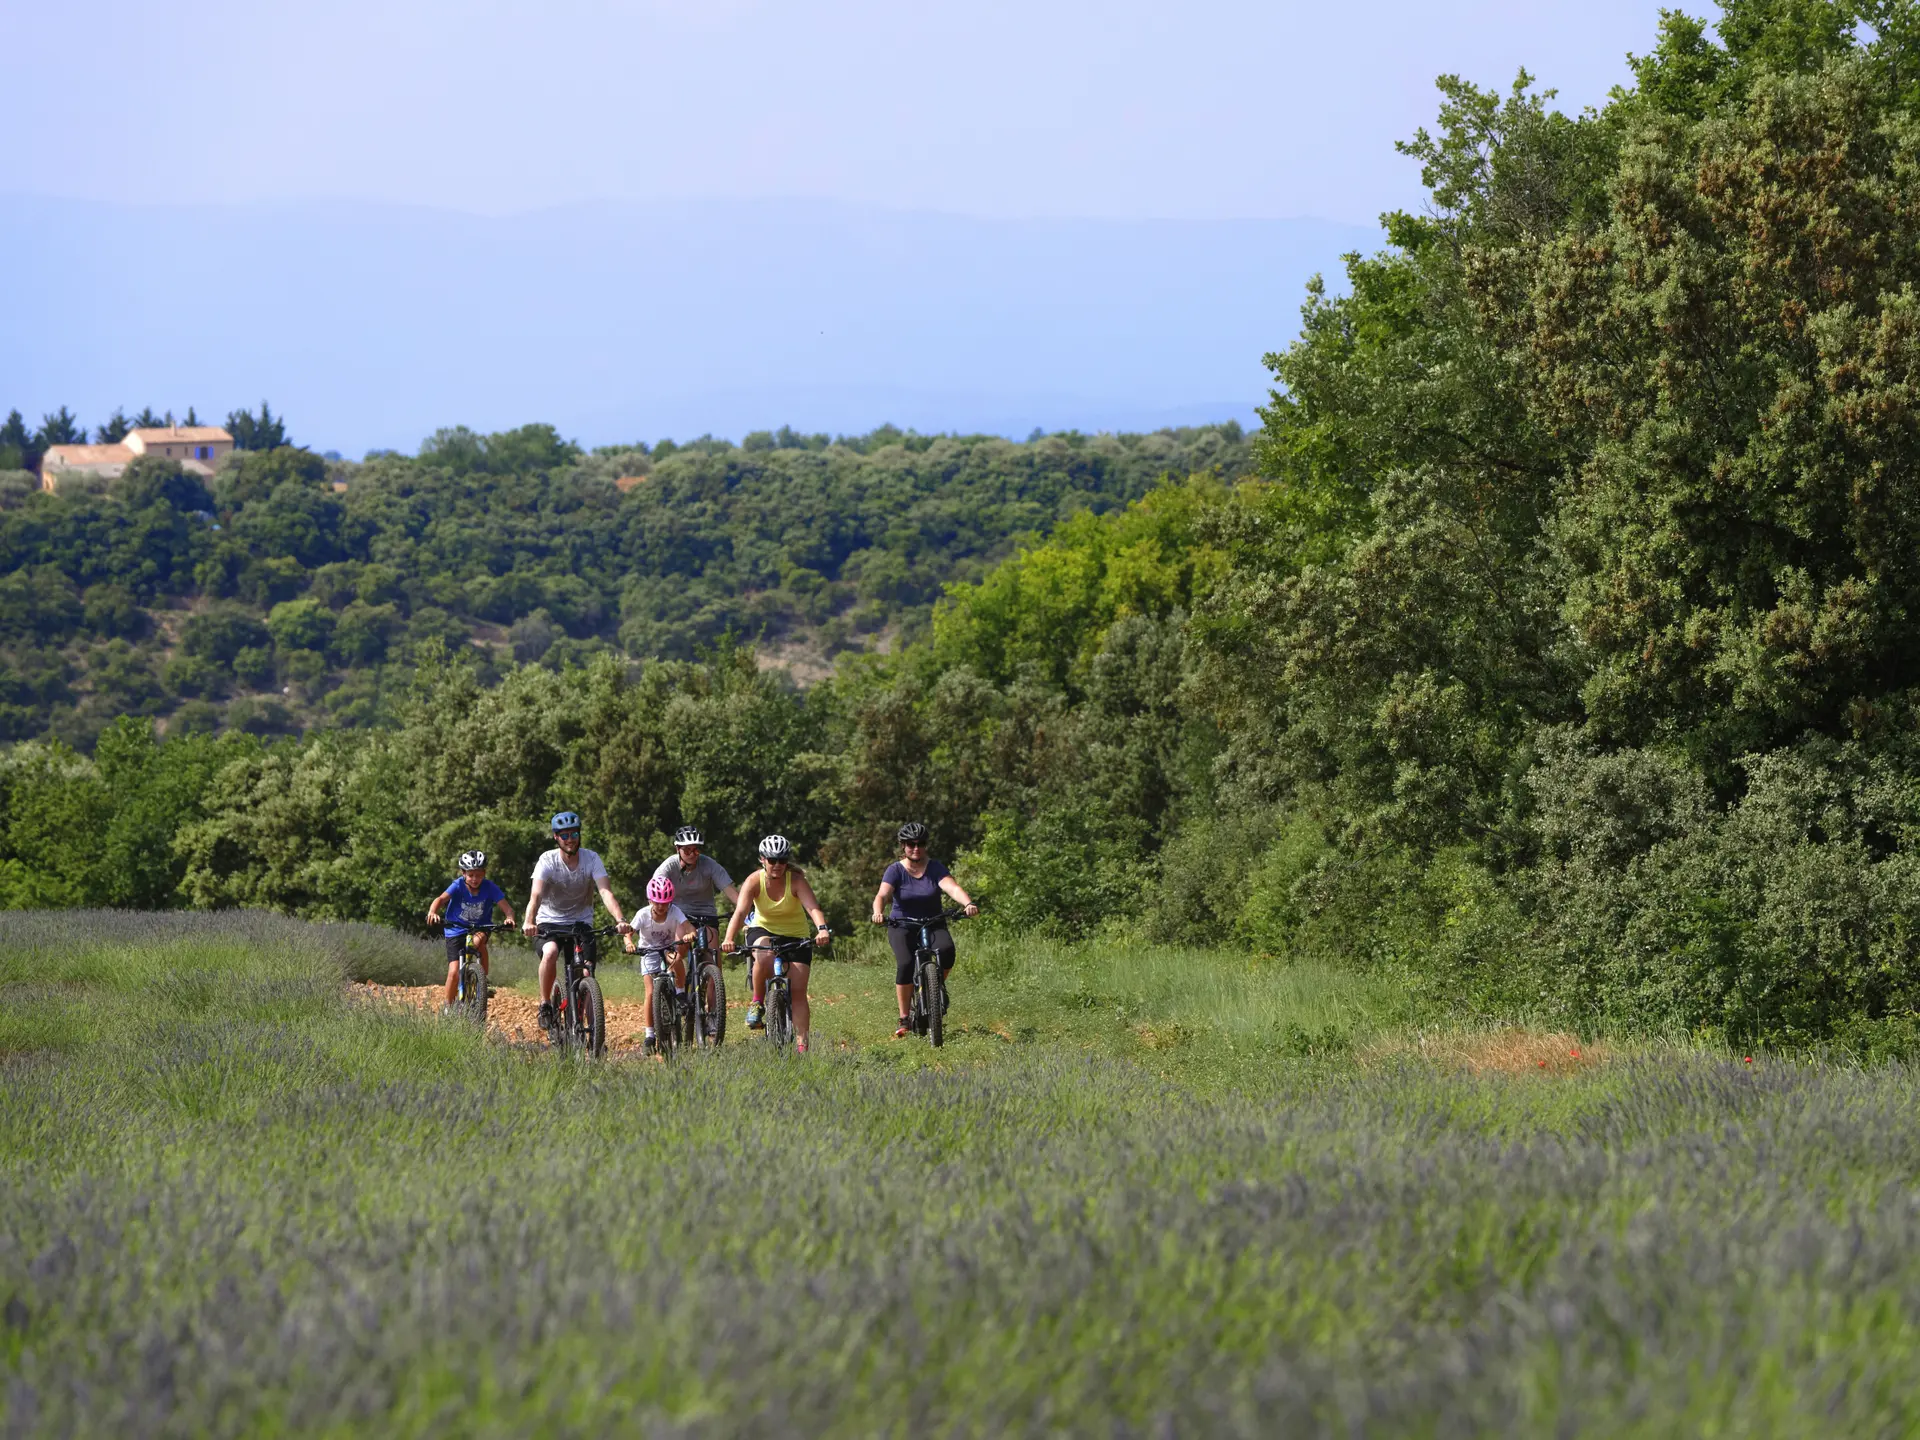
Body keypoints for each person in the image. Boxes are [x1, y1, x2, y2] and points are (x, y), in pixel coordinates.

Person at [520, 810, 632, 1034]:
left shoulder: (592, 859)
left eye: (574, 834)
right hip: (549, 921)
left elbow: (606, 893)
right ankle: (544, 1004)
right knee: (550, 952)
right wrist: (528, 921)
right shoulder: (547, 860)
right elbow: (536, 897)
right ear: (556, 837)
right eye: (564, 835)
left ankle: (595, 1032)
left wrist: (620, 920)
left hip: (581, 922)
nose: (570, 839)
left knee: (587, 974)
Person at [721, 834, 831, 1052]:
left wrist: (822, 929)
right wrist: (728, 938)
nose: (778, 865)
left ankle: (802, 1047)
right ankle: (756, 1002)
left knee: (798, 992)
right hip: (763, 929)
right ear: (763, 860)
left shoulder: (797, 881)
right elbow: (741, 911)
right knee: (765, 954)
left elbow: (812, 908)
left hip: (795, 935)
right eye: (772, 860)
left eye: (782, 860)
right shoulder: (754, 881)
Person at [871, 821, 978, 1038]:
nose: (916, 848)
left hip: (932, 921)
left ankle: (934, 988)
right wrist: (878, 912)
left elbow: (952, 887)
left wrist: (967, 904)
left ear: (926, 845)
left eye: (920, 843)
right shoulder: (895, 870)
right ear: (903, 846)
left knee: (947, 951)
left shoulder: (935, 868)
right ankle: (904, 1017)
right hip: (902, 924)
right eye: (911, 844)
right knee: (906, 963)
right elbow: (882, 895)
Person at [651, 825, 739, 1020]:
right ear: (677, 849)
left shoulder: (709, 865)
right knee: (678, 952)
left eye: (696, 849)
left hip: (705, 914)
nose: (693, 853)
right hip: (678, 914)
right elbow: (654, 892)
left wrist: (745, 911)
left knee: (713, 961)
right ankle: (679, 991)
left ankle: (713, 1015)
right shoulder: (668, 867)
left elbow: (731, 892)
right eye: (687, 850)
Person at [426, 849, 515, 1012]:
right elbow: (440, 899)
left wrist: (509, 918)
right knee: (453, 972)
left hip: (480, 927)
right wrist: (433, 912)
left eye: (479, 875)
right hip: (455, 929)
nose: (475, 879)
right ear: (463, 873)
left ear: (484, 873)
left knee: (478, 942)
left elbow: (507, 908)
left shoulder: (490, 887)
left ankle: (482, 980)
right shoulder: (458, 885)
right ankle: (448, 1007)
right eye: (471, 875)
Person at [625, 873, 695, 1054]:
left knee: (677, 959)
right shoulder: (642, 915)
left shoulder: (675, 911)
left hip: (668, 948)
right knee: (649, 993)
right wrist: (629, 943)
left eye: (665, 902)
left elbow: (688, 926)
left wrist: (690, 934)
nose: (661, 906)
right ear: (650, 900)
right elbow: (628, 932)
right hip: (648, 952)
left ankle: (680, 993)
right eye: (657, 902)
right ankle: (649, 1035)